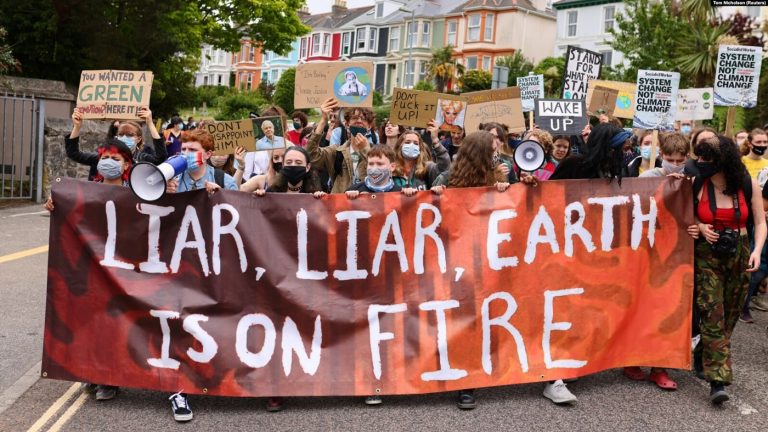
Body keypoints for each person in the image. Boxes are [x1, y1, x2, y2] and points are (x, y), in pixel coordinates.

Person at [44, 137, 135, 401]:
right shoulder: (84, 191)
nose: (108, 163)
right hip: (92, 270)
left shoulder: (136, 192)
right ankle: (94, 372)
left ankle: (111, 378)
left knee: (116, 323)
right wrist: (53, 204)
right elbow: (67, 212)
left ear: (127, 164)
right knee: (91, 322)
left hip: (123, 270)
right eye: (104, 158)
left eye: (115, 159)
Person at [430, 131, 511, 410]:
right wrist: (436, 196)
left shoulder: (498, 177)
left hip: (486, 261)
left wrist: (508, 190)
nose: (497, 153)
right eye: (493, 148)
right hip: (453, 261)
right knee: (456, 318)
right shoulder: (446, 180)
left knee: (477, 320)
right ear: (479, 153)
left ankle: (468, 384)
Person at [688, 135, 766, 404]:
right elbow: (684, 214)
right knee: (712, 312)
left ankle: (702, 355)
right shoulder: (697, 182)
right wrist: (698, 225)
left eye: (707, 158)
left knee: (730, 315)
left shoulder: (747, 184)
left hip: (740, 252)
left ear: (722, 161)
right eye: (699, 157)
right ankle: (718, 380)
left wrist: (756, 251)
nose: (701, 162)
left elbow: (760, 222)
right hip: (707, 255)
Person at [65, 107, 167, 180]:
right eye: (121, 134)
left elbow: (160, 158)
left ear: (139, 138)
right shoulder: (104, 156)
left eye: (130, 135)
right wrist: (77, 127)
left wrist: (150, 123)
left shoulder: (141, 158)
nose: (124, 138)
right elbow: (73, 154)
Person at [307, 98, 374, 193]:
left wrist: (366, 150)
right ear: (346, 124)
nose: (359, 121)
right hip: (340, 204)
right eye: (354, 118)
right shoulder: (336, 151)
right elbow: (311, 156)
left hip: (365, 205)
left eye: (364, 119)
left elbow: (382, 173)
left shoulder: (378, 152)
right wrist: (323, 120)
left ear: (369, 126)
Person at [166, 128, 238, 194]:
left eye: (193, 150)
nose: (186, 154)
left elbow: (235, 206)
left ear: (207, 154)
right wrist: (163, 192)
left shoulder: (225, 181)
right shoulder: (172, 177)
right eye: (184, 149)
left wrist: (220, 195)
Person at [550, 123, 631, 181]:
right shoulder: (573, 163)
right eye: (624, 149)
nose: (625, 153)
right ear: (610, 149)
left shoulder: (614, 169)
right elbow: (550, 192)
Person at [392, 124, 449, 190]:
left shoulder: (427, 168)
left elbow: (445, 168)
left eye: (416, 143)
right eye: (407, 142)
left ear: (420, 148)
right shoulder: (391, 169)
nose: (411, 145)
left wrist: (435, 141)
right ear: (400, 146)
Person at [347, 145, 417, 199]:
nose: (374, 169)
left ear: (392, 167)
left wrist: (411, 197)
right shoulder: (354, 190)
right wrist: (348, 199)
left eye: (380, 164)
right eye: (371, 164)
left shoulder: (400, 193)